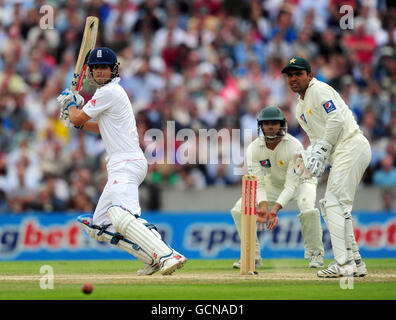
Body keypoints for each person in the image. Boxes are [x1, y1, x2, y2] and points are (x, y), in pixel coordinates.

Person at [57, 47, 186, 276]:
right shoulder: (109, 95)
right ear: (90, 72)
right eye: (96, 68)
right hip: (123, 162)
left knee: (121, 214)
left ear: (113, 70)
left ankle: (167, 254)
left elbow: (78, 115)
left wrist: (71, 106)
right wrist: (75, 119)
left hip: (126, 162)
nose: (99, 73)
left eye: (104, 68)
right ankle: (151, 258)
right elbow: (100, 127)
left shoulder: (108, 92)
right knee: (99, 225)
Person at [282, 56, 370, 278]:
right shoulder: (299, 108)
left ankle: (345, 264)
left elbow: (337, 120)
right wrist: (312, 156)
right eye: (290, 75)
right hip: (340, 153)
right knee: (332, 204)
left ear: (309, 75)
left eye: (298, 74)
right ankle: (354, 261)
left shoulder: (319, 89)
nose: (293, 78)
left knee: (334, 203)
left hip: (351, 145)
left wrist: (323, 148)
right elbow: (316, 138)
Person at [230, 106, 324, 269]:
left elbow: (291, 185)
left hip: (302, 182)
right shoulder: (253, 148)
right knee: (240, 208)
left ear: (282, 125)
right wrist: (264, 208)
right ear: (261, 126)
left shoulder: (294, 146)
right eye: (267, 123)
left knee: (306, 206)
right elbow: (257, 182)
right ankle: (252, 256)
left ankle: (315, 254)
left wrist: (274, 211)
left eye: (275, 123)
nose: (271, 126)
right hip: (273, 183)